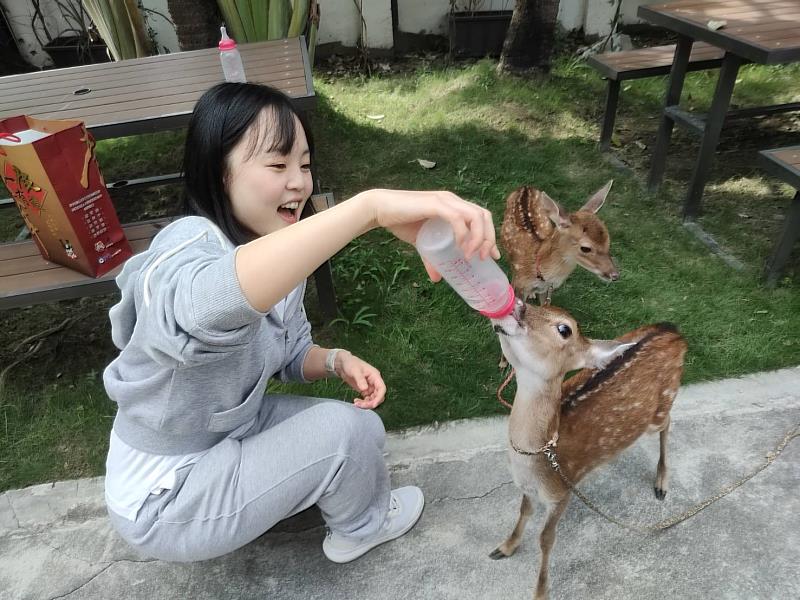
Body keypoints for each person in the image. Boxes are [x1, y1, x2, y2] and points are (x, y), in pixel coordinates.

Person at [103, 82, 499, 563]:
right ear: (218, 171)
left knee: (362, 428)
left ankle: (290, 495)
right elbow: (202, 309)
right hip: (165, 499)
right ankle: (360, 530)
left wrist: (336, 360)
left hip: (228, 435)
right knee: (342, 436)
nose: (300, 182)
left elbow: (288, 351)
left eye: (305, 164)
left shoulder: (271, 248)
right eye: (277, 164)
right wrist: (368, 209)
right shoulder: (187, 244)